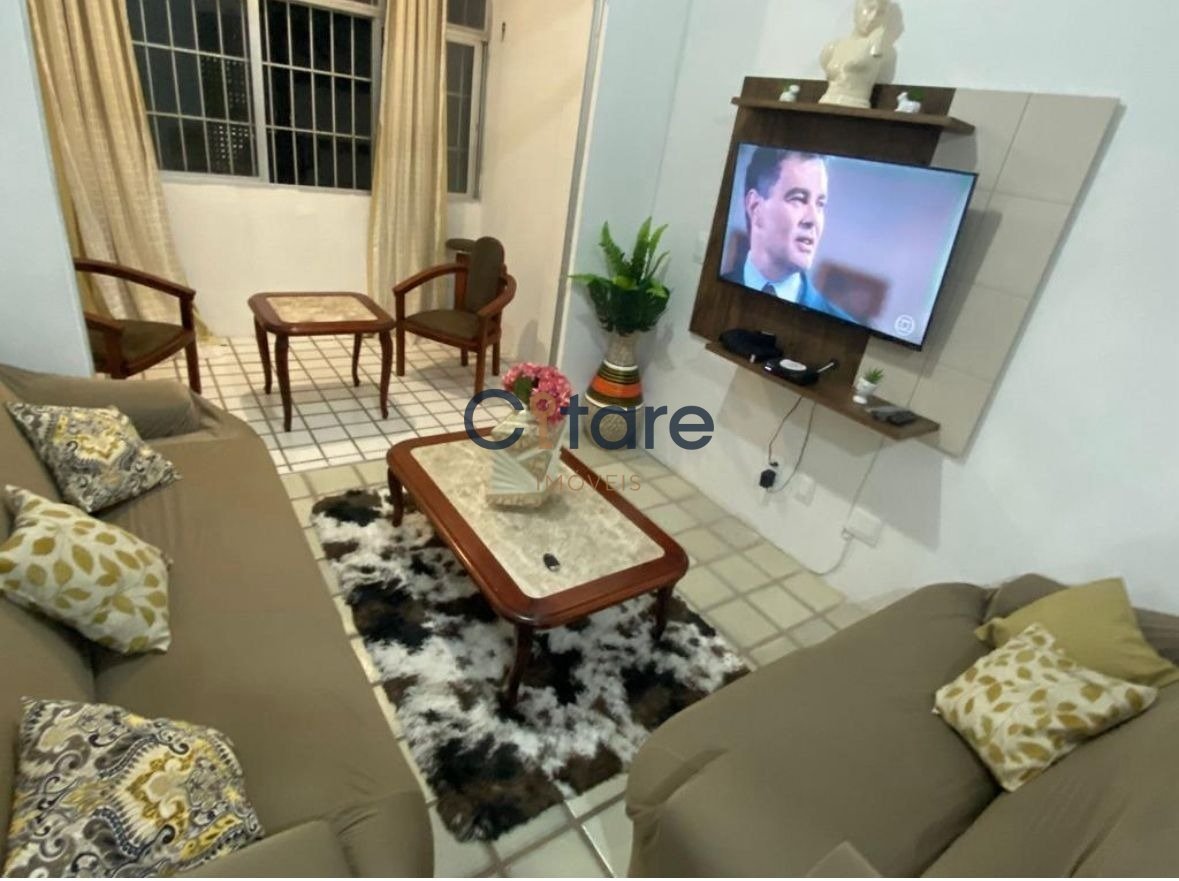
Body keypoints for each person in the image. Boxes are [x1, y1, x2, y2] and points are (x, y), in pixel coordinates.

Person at [722, 147, 855, 322]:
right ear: (755, 207)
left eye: (820, 204)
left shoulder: (839, 324)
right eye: (798, 199)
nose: (813, 220)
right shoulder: (717, 292)